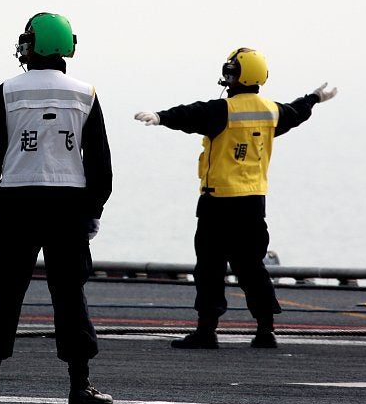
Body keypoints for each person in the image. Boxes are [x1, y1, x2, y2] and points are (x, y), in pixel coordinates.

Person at [134, 47, 337, 349]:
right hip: (253, 202)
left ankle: (206, 331)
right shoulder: (271, 111)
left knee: (209, 268)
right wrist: (314, 99)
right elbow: (296, 113)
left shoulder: (222, 111)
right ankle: (265, 329)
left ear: (234, 75)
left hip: (218, 202)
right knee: (252, 267)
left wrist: (160, 117)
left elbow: (191, 114)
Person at [0, 12, 114, 404]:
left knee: (4, 295)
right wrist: (93, 211)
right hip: (68, 207)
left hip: (15, 204)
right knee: (70, 296)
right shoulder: (85, 94)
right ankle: (79, 386)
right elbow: (100, 165)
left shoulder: (8, 91)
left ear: (35, 45)